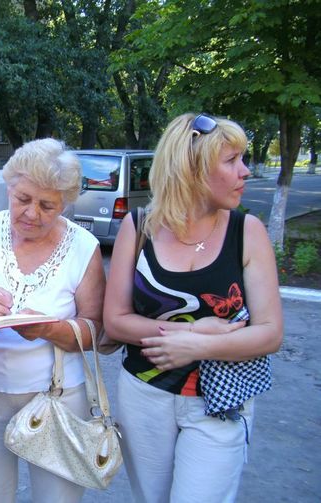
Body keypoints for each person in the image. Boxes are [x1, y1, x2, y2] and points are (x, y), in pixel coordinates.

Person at [103, 113, 283, 502]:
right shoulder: (140, 227)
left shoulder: (246, 232)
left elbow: (270, 332)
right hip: (144, 395)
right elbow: (115, 320)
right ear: (192, 168)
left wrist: (200, 347)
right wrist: (189, 332)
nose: (245, 172)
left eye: (243, 159)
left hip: (220, 399)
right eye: (231, 160)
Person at [0, 138, 106, 503]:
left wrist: (48, 329)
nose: (32, 213)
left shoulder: (82, 246)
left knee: (58, 498)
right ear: (9, 188)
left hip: (57, 396)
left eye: (47, 205)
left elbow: (94, 330)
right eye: (23, 199)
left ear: (65, 203)